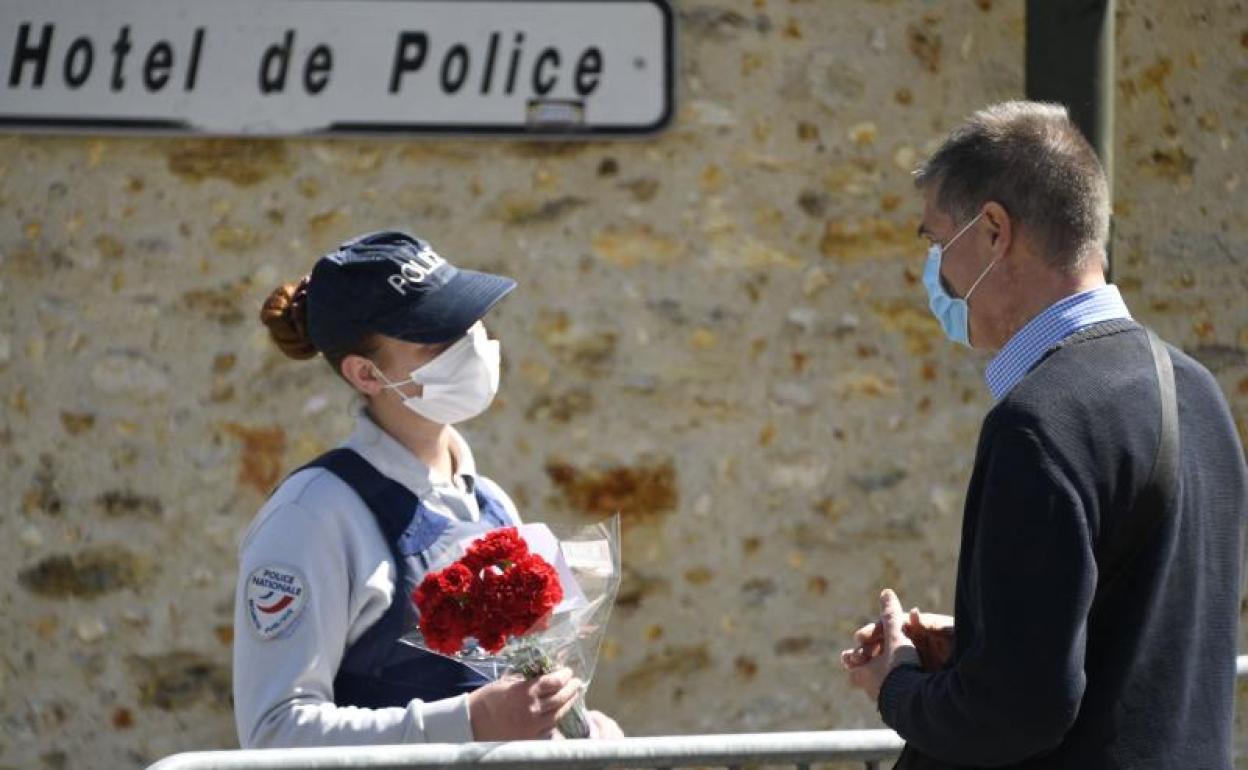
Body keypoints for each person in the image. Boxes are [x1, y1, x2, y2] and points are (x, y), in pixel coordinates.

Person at [841, 102, 1247, 768]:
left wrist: (898, 685)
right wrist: (982, 646)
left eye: (937, 240)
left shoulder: (1039, 423)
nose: (936, 271)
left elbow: (1017, 714)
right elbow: (1138, 643)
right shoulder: (1197, 390)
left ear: (994, 230)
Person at [233, 230, 622, 748]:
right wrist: (465, 723)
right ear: (366, 374)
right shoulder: (313, 515)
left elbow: (512, 692)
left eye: (467, 321)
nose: (470, 345)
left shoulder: (491, 502)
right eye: (435, 338)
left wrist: (580, 731)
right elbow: (273, 733)